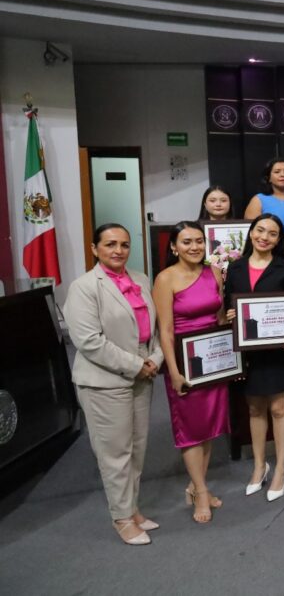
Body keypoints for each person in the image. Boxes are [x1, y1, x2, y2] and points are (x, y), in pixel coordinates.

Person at [64, 224, 163, 545]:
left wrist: (156, 359)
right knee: (114, 453)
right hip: (105, 381)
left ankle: (132, 508)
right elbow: (89, 341)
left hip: (142, 373)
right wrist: (137, 365)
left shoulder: (141, 279)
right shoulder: (83, 287)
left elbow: (155, 329)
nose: (118, 250)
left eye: (124, 244)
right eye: (109, 244)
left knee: (136, 447)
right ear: (95, 249)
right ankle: (121, 518)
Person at [224, 214, 284, 502]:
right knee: (254, 409)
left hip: (279, 351)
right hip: (249, 352)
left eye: (272, 233)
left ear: (279, 239)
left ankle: (280, 468)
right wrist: (230, 315)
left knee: (279, 408)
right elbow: (227, 306)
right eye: (259, 230)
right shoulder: (234, 269)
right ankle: (260, 465)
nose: (264, 237)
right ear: (250, 233)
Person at [152, 222, 230, 524]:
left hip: (212, 360)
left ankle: (196, 485)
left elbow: (219, 315)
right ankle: (200, 492)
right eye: (186, 242)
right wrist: (172, 371)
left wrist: (229, 324)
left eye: (199, 241)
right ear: (174, 247)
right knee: (190, 431)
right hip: (184, 363)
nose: (194, 247)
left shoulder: (213, 271)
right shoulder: (165, 279)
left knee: (207, 427)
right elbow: (166, 331)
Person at [243, 158, 284, 237]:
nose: (283, 175)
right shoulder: (258, 200)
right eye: (277, 172)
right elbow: (251, 231)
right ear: (268, 178)